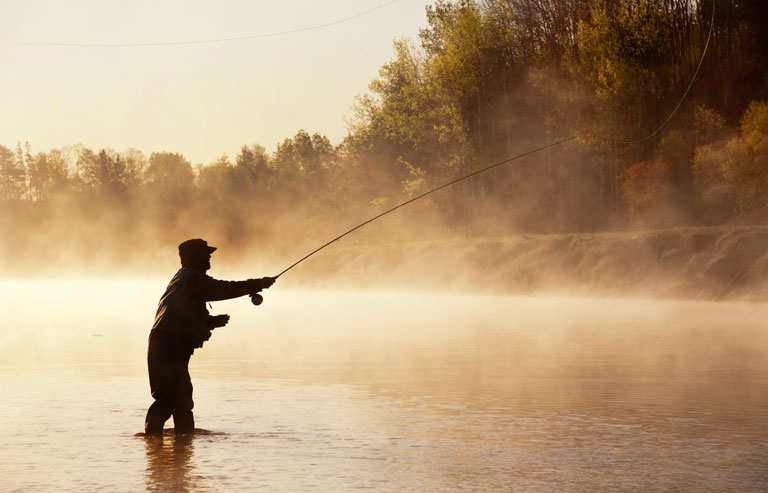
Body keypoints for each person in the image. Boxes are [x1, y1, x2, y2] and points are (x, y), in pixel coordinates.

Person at [144, 238, 275, 436]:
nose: (209, 257)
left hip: (166, 343)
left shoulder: (183, 278)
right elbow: (223, 289)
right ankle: (156, 444)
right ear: (195, 257)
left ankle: (178, 448)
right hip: (169, 344)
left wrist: (211, 322)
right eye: (206, 254)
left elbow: (183, 314)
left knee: (180, 399)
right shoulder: (193, 279)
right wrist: (257, 284)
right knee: (171, 398)